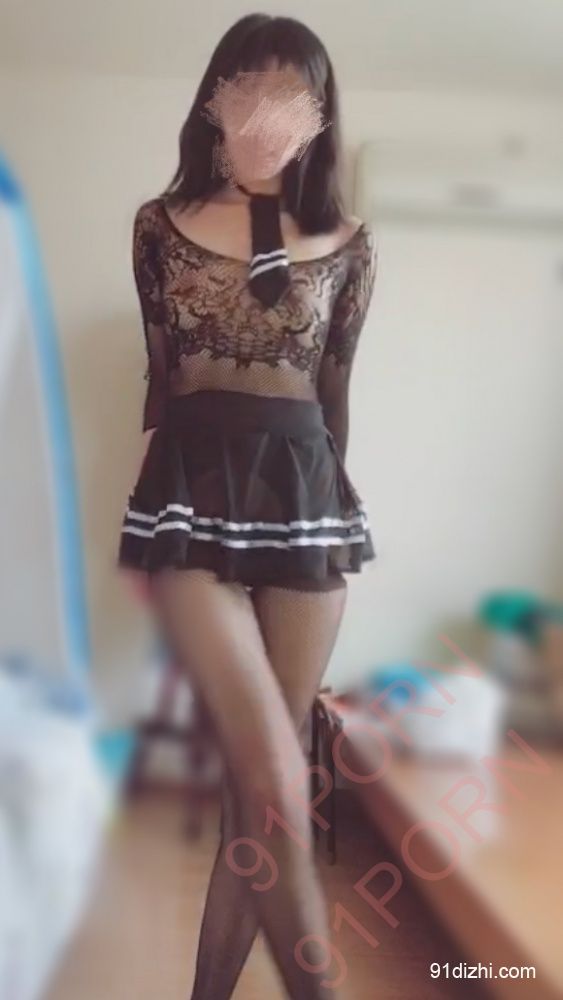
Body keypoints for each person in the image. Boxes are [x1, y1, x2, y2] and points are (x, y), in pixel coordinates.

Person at [117, 13, 377, 999]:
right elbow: (163, 376)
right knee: (271, 774)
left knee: (256, 802)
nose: (268, 103)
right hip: (191, 497)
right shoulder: (159, 224)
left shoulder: (349, 244)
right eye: (248, 81)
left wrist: (334, 509)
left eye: (291, 87)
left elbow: (333, 393)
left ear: (319, 112)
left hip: (304, 501)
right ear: (214, 100)